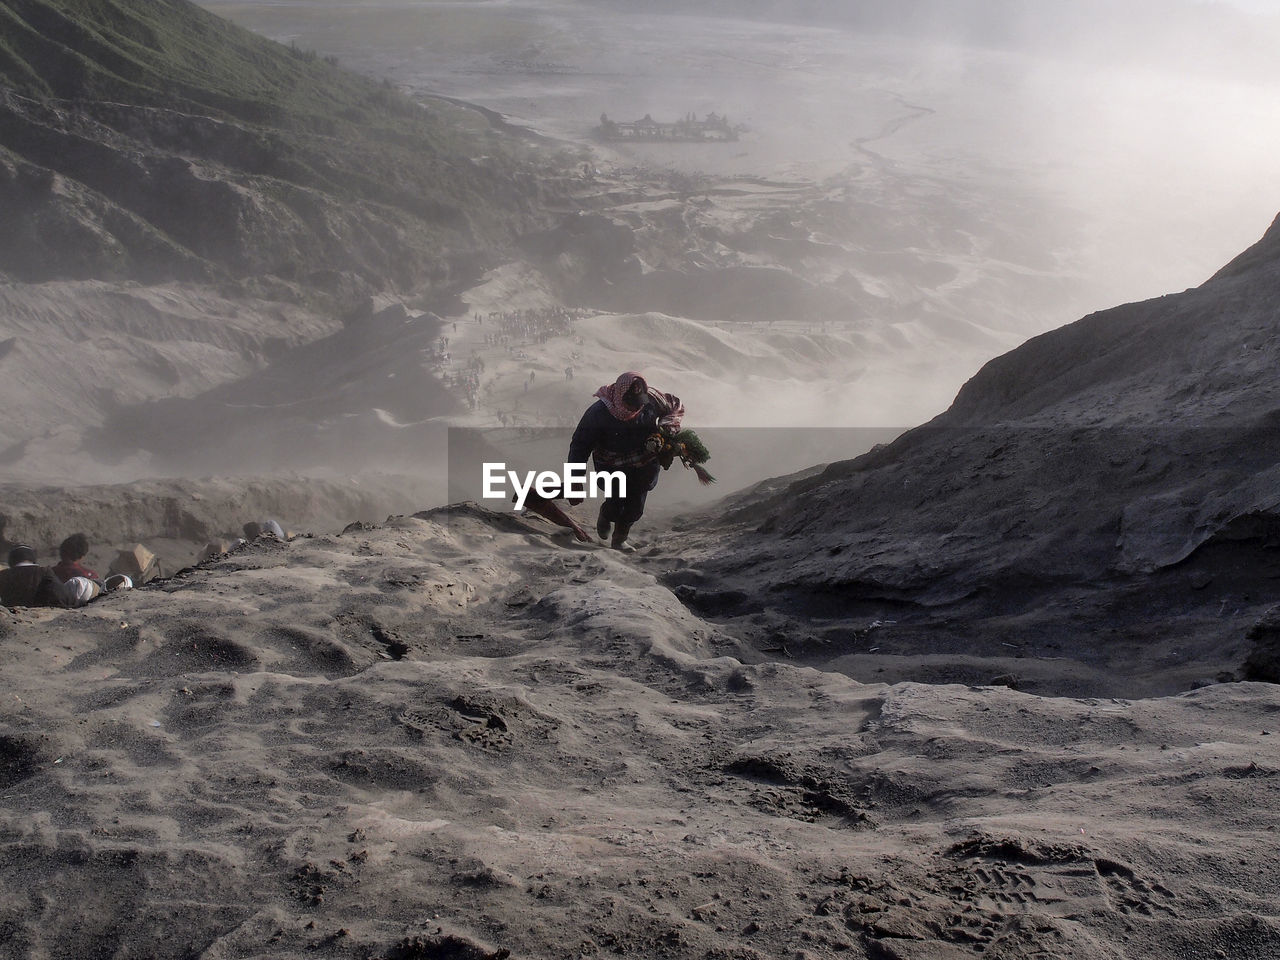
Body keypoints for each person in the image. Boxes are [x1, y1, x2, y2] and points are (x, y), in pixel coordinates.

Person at [567, 371, 683, 552]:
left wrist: (667, 428)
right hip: (611, 464)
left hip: (644, 461)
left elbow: (674, 406)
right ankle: (606, 514)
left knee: (635, 507)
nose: (634, 408)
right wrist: (575, 480)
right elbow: (580, 446)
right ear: (621, 397)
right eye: (630, 404)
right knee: (615, 503)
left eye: (638, 404)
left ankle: (619, 539)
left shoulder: (652, 400)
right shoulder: (598, 413)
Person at [0, 545, 69, 608]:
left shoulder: (3, 575)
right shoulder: (44, 572)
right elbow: (61, 595)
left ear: (11, 560)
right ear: (33, 559)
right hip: (42, 614)